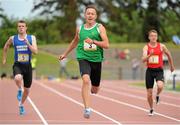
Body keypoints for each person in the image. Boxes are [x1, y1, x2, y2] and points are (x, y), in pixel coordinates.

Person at [59, 5, 109, 118]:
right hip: (83, 57)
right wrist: (65, 54)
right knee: (86, 80)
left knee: (95, 89)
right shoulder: (80, 28)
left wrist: (94, 42)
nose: (90, 15)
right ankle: (87, 108)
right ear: (85, 15)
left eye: (92, 13)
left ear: (95, 16)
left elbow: (106, 45)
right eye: (88, 13)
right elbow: (74, 42)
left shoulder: (100, 28)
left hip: (96, 59)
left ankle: (93, 88)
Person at [2, 20, 38, 115]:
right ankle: (19, 89)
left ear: (26, 28)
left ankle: (21, 105)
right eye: (19, 26)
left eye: (23, 26)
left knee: (27, 90)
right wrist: (4, 58)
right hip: (18, 64)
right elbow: (5, 47)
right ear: (17, 28)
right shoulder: (13, 38)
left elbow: (35, 52)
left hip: (28, 66)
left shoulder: (31, 38)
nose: (21, 28)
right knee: (18, 78)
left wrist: (28, 43)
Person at [142, 29, 175, 116]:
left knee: (160, 86)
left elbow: (169, 54)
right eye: (152, 36)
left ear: (157, 37)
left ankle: (157, 95)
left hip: (159, 70)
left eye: (155, 36)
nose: (154, 37)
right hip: (149, 71)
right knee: (149, 93)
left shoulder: (161, 46)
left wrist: (171, 65)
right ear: (149, 37)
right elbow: (143, 59)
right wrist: (150, 55)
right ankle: (151, 109)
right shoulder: (146, 47)